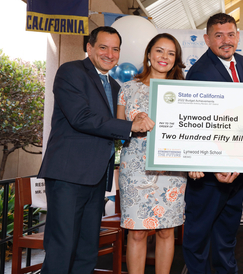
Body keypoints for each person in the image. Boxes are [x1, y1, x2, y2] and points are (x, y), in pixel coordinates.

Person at [38, 26, 155, 274]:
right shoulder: (71, 72)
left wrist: (140, 120)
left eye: (115, 49)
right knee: (62, 247)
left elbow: (119, 126)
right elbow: (81, 117)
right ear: (89, 48)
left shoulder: (114, 86)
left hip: (96, 177)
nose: (109, 54)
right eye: (103, 47)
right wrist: (129, 125)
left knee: (86, 250)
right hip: (68, 175)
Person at [183, 13, 243, 274]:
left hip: (236, 171)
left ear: (237, 36)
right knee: (198, 237)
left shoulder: (241, 63)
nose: (226, 41)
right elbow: (197, 125)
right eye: (218, 35)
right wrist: (213, 166)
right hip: (209, 175)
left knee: (226, 236)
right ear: (207, 39)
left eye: (230, 34)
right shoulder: (199, 72)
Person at [117, 33, 186, 274]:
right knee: (136, 232)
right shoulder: (128, 88)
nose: (164, 57)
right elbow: (118, 130)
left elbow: (190, 131)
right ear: (148, 54)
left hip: (171, 170)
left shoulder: (183, 91)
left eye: (171, 53)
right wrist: (133, 121)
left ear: (176, 59)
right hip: (135, 169)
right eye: (159, 50)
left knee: (167, 231)